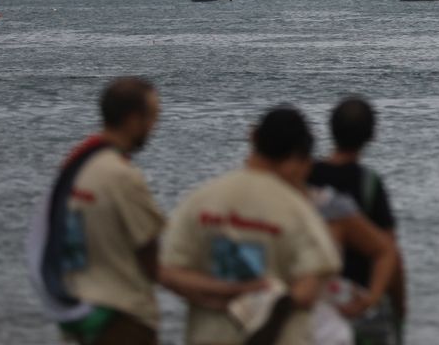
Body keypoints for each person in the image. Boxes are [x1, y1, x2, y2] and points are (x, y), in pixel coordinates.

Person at [161, 107, 341, 345]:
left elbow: (168, 272)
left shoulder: (201, 200)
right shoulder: (297, 210)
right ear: (298, 159)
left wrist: (223, 292)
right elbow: (309, 288)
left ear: (253, 137)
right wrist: (263, 298)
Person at [28, 78, 167, 345]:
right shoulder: (122, 176)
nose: (154, 126)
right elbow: (150, 256)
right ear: (132, 119)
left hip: (79, 313)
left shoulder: (76, 166)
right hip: (122, 318)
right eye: (152, 117)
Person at [309, 97, 408, 344]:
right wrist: (398, 307)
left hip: (311, 298)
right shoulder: (369, 184)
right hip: (357, 302)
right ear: (372, 134)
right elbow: (390, 251)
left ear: (330, 129)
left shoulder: (307, 176)